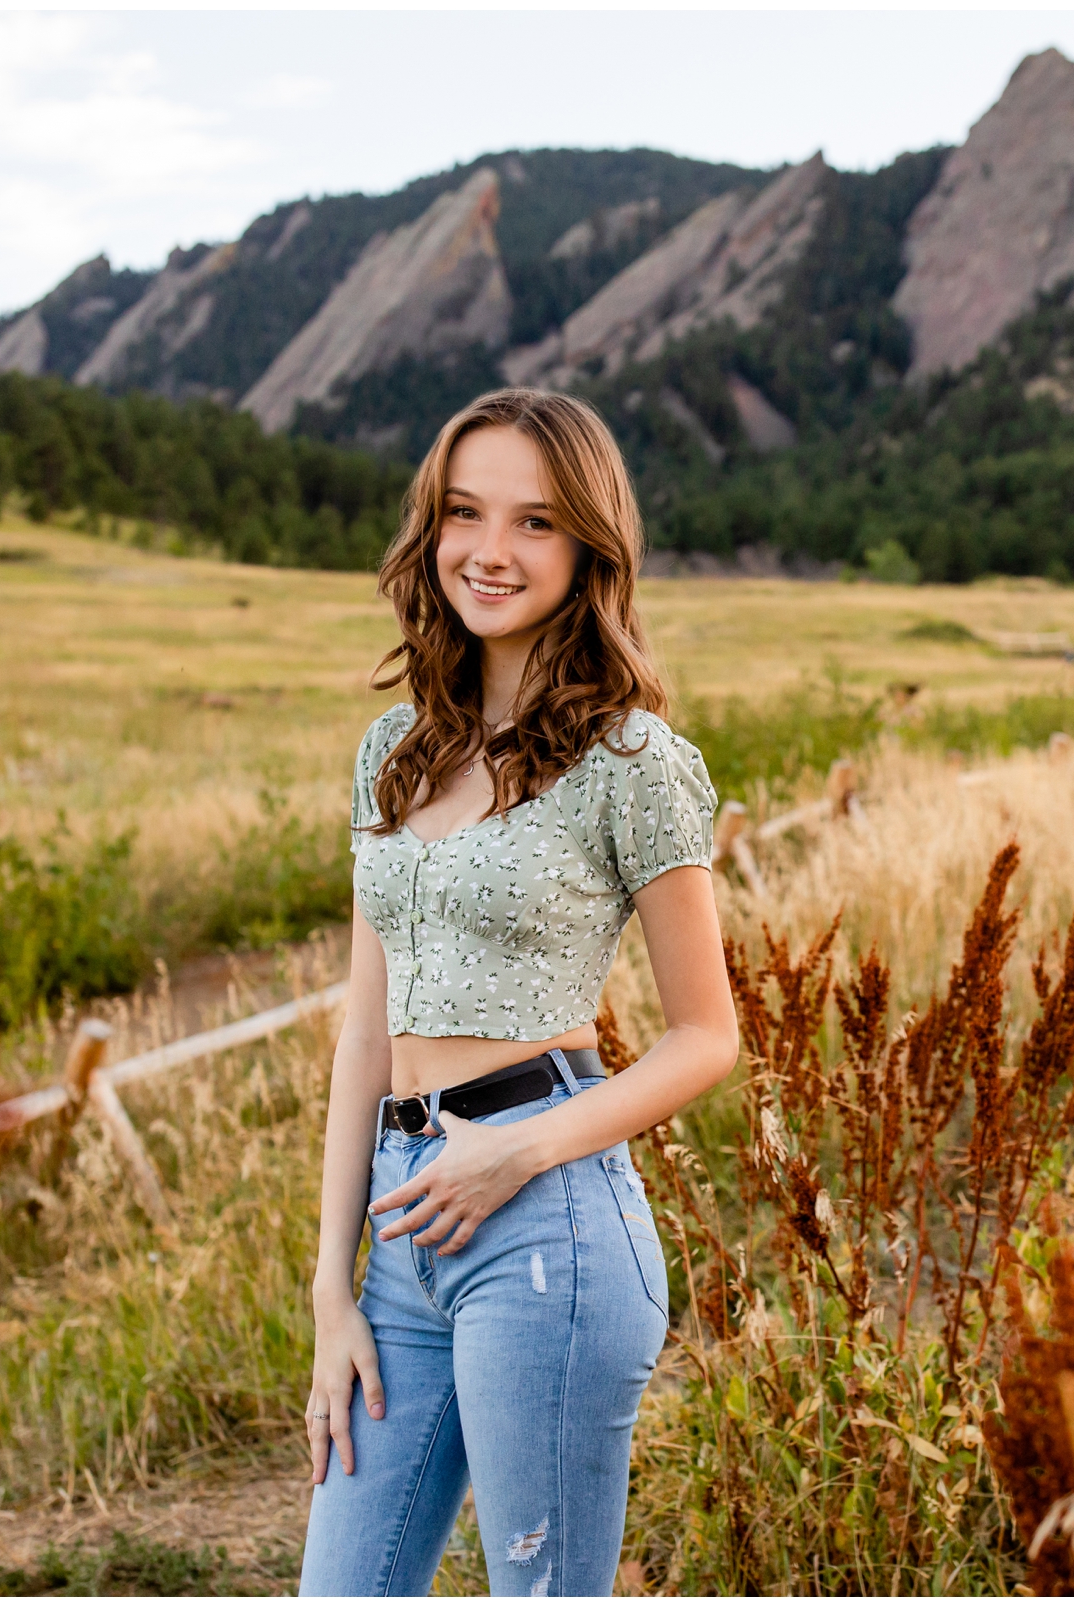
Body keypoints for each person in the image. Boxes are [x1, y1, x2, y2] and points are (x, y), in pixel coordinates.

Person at [297, 390, 737, 1596]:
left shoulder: (636, 763)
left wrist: (518, 1151)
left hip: (548, 1229)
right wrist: (332, 1286)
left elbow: (707, 1037)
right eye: (465, 512)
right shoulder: (394, 747)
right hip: (400, 1228)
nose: (491, 551)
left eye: (535, 521)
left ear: (590, 545)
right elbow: (362, 1029)